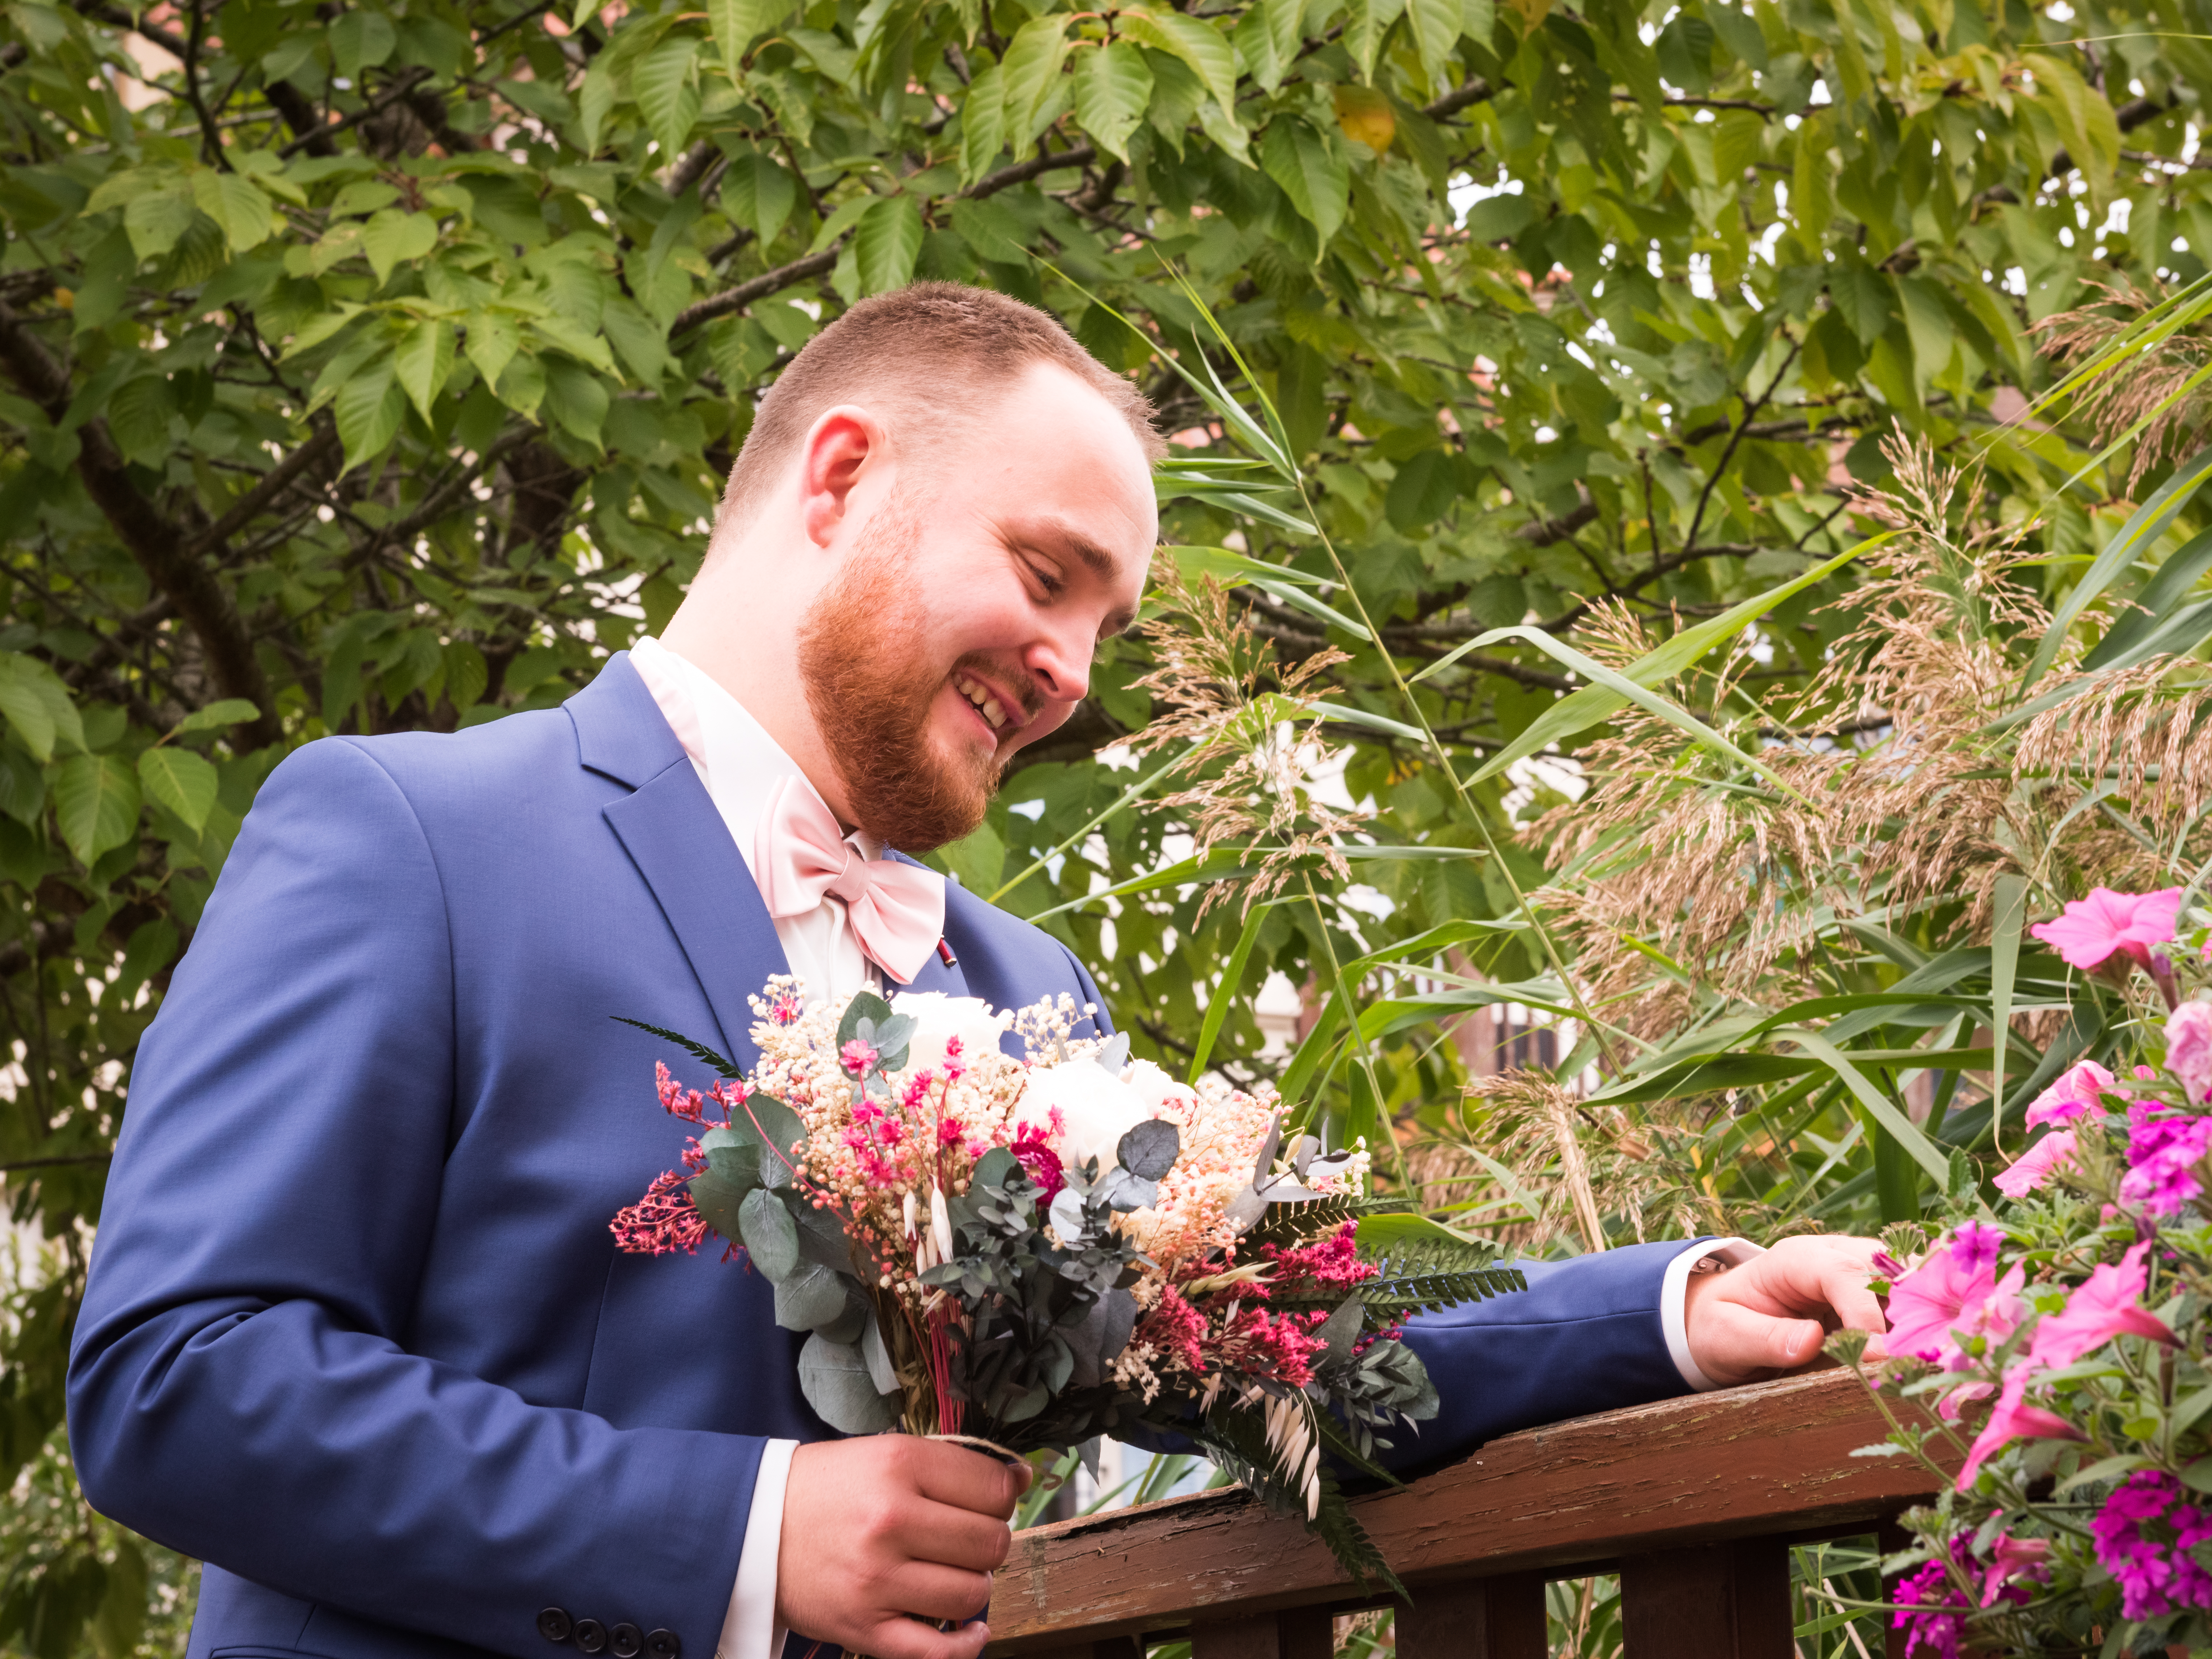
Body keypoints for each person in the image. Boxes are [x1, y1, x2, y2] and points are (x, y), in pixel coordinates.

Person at [67, 283, 1887, 1659]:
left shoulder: (1032, 990)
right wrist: (747, 1525)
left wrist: (1674, 1312)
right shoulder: (409, 831)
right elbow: (180, 1372)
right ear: (844, 476)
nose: (1074, 664)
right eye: (1048, 571)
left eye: (1107, 621)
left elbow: (1271, 1355)